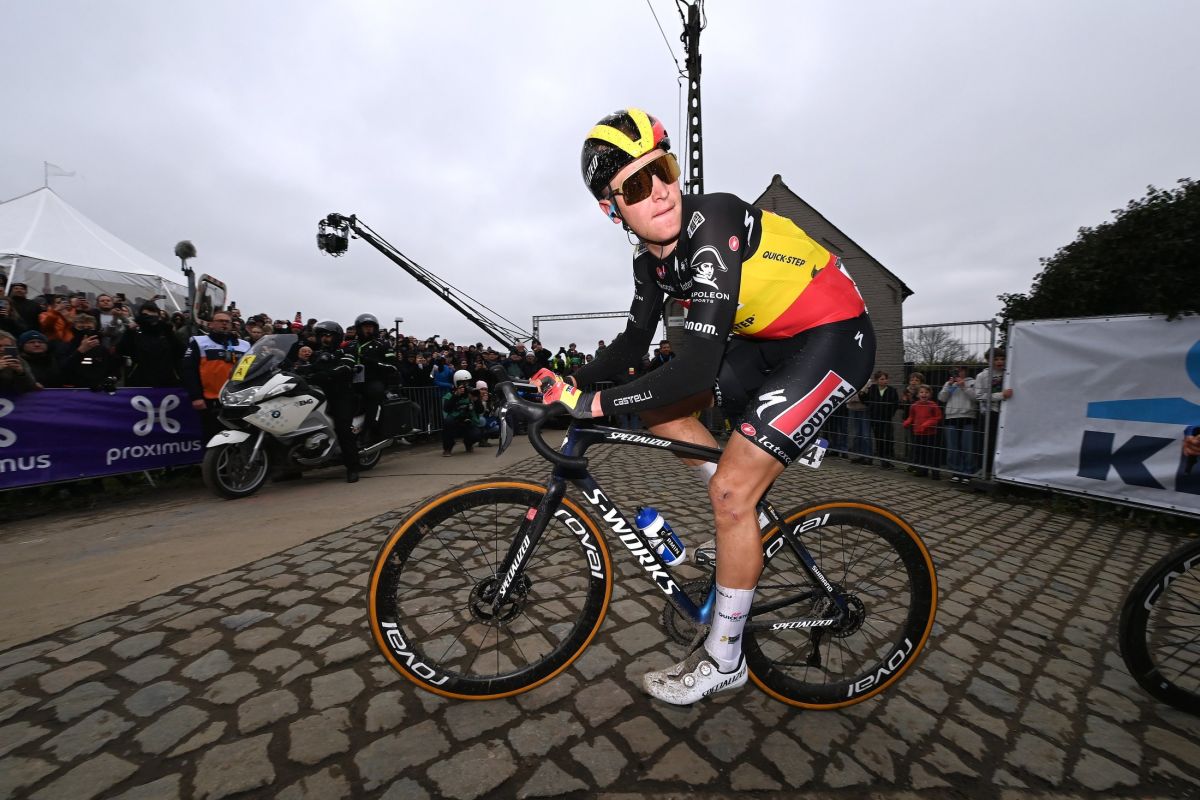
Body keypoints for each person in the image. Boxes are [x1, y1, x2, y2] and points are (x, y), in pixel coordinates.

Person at [531, 107, 873, 705]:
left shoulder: (713, 220)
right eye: (637, 185)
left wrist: (591, 403)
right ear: (613, 209)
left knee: (730, 494)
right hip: (765, 342)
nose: (661, 190)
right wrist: (558, 384)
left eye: (663, 169)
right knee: (660, 411)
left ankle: (725, 657)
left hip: (834, 336)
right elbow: (633, 346)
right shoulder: (649, 261)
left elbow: (691, 368)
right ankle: (749, 522)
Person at [294, 320, 362, 483]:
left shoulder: (346, 351)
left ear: (336, 337)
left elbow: (345, 368)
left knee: (343, 429)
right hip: (319, 394)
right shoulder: (316, 354)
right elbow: (309, 367)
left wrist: (324, 374)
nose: (325, 339)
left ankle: (352, 467)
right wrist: (295, 370)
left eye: (328, 335)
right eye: (322, 336)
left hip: (341, 394)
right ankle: (291, 469)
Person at [181, 310, 250, 442]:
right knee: (212, 437)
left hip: (237, 399)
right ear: (211, 324)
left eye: (227, 322)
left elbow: (251, 369)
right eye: (220, 321)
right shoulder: (199, 342)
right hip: (211, 399)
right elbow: (189, 370)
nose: (224, 324)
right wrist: (196, 397)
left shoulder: (244, 345)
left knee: (239, 436)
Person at [343, 313, 399, 445]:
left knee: (374, 392)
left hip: (373, 381)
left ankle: (369, 429)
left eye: (370, 327)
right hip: (352, 381)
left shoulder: (383, 344)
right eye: (365, 327)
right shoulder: (350, 345)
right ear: (359, 328)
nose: (368, 329)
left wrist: (372, 362)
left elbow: (393, 366)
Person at [119, 302, 183, 387]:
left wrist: (168, 332)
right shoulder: (135, 334)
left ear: (158, 317)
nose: (149, 319)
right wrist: (129, 331)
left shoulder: (166, 333)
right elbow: (121, 350)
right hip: (140, 382)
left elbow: (180, 352)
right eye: (146, 316)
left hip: (167, 382)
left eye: (152, 316)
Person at [975, 348, 1013, 477]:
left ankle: (1001, 471)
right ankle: (985, 470)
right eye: (996, 359)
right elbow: (979, 396)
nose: (1000, 361)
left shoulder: (1009, 373)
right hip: (989, 413)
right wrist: (1001, 395)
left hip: (1007, 413)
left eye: (1002, 359)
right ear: (988, 360)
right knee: (988, 443)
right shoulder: (982, 376)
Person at [938, 366, 977, 482]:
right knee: (952, 448)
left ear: (965, 371)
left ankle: (968, 473)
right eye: (955, 371)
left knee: (968, 448)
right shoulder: (949, 383)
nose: (957, 373)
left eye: (960, 370)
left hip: (967, 417)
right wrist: (949, 385)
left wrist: (964, 387)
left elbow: (976, 398)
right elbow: (942, 398)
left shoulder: (972, 382)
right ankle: (956, 471)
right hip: (951, 417)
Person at [902, 384, 943, 479]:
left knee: (932, 454)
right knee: (920, 453)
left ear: (930, 394)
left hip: (930, 434)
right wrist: (907, 422)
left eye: (926, 392)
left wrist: (926, 424)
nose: (924, 394)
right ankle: (922, 470)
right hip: (918, 433)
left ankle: (935, 472)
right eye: (921, 392)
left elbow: (937, 417)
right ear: (917, 394)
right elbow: (911, 417)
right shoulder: (914, 406)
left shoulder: (933, 405)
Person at [441, 369, 483, 456]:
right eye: (463, 383)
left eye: (467, 382)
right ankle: (447, 448)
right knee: (448, 422)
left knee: (476, 434)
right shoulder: (450, 395)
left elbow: (480, 410)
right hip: (455, 422)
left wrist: (476, 400)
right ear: (457, 383)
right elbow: (446, 409)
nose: (465, 385)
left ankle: (468, 444)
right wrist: (456, 395)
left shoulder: (471, 394)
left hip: (467, 421)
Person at [864, 371, 899, 469]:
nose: (885, 381)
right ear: (876, 380)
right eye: (882, 379)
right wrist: (862, 394)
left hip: (886, 419)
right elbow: (866, 401)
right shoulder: (872, 389)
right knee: (879, 439)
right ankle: (882, 460)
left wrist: (890, 413)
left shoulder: (892, 390)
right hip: (875, 419)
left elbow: (895, 404)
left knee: (888, 439)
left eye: (886, 379)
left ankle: (888, 460)